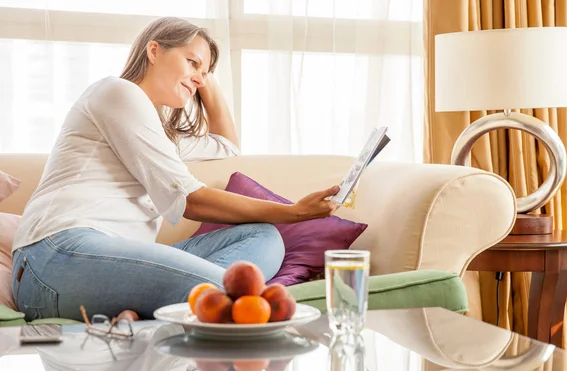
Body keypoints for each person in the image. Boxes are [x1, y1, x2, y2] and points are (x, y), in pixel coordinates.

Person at [10, 16, 340, 322]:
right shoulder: (116, 92)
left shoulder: (155, 131)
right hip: (57, 258)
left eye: (204, 71)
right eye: (191, 62)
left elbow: (227, 146)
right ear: (154, 50)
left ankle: (157, 308)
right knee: (222, 292)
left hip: (114, 261)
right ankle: (193, 302)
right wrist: (293, 212)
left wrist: (205, 79)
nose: (198, 76)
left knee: (263, 237)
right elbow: (191, 200)